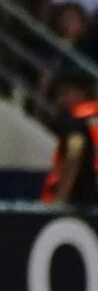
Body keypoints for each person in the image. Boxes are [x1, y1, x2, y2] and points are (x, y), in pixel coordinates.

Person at [42, 71, 98, 206]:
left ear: (81, 93)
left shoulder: (76, 125)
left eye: (66, 94)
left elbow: (73, 159)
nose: (61, 100)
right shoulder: (92, 118)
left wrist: (60, 199)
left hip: (83, 196)